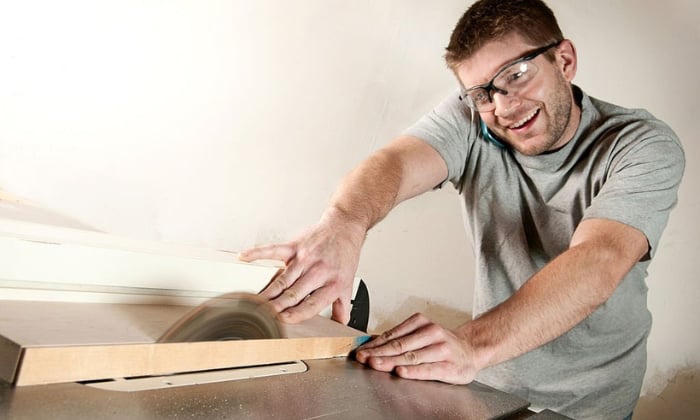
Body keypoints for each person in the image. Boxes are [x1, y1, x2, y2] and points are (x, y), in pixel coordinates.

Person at [239, 0, 685, 418]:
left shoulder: (640, 143)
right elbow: (394, 163)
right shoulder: (473, 119)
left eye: (517, 75)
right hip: (490, 389)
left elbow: (599, 259)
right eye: (483, 92)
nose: (504, 107)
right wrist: (344, 224)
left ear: (564, 61)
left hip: (593, 403)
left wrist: (470, 345)